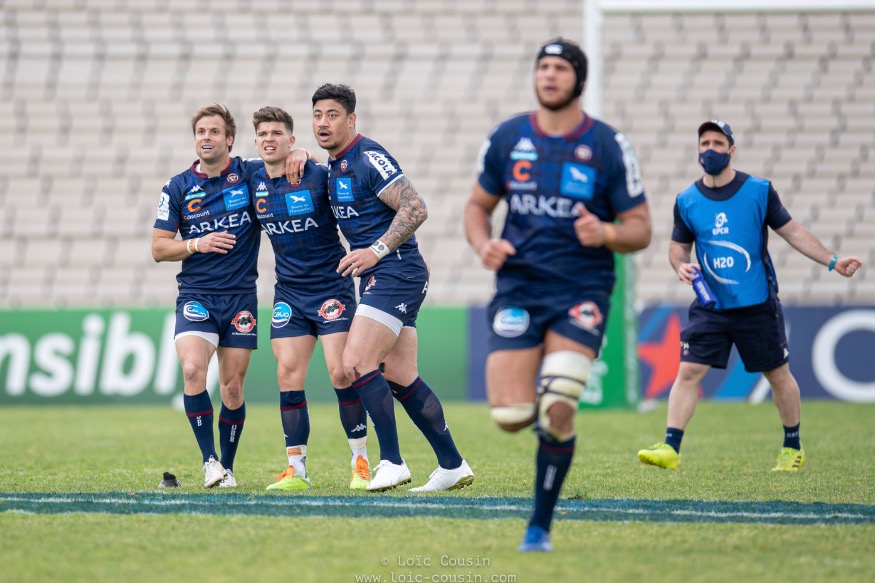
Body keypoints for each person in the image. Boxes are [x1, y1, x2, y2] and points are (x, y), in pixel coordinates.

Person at [464, 38, 652, 552]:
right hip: (519, 286)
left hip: (580, 288)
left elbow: (640, 228)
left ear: (579, 80)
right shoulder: (507, 137)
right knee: (509, 418)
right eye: (542, 67)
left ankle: (539, 527)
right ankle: (549, 428)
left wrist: (608, 234)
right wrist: (485, 245)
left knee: (560, 402)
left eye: (560, 68)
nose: (549, 76)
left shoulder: (609, 145)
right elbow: (476, 208)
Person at [637, 119, 863, 473]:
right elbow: (677, 249)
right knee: (689, 371)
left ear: (732, 149)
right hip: (711, 306)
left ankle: (792, 447)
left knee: (778, 376)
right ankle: (670, 446)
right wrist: (679, 266)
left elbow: (793, 231)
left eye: (717, 143)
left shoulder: (759, 190)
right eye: (704, 143)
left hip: (756, 304)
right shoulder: (687, 200)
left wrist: (833, 261)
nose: (709, 149)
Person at [311, 83, 474, 492]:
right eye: (317, 114)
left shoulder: (368, 156)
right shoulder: (334, 164)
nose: (323, 122)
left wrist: (377, 251)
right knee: (400, 375)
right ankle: (452, 464)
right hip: (393, 272)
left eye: (333, 115)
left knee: (356, 363)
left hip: (394, 271)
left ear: (352, 120)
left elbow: (415, 206)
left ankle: (392, 461)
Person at [249, 106, 371, 491]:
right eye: (263, 134)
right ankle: (296, 469)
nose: (270, 139)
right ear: (256, 142)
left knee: (341, 372)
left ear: (291, 140)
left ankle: (360, 461)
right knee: (287, 374)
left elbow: (348, 199)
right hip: (289, 292)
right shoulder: (250, 177)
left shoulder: (316, 174)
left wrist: (308, 156)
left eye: (277, 133)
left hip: (330, 287)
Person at [152, 103, 264, 488]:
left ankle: (228, 469)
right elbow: (158, 248)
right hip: (197, 295)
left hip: (240, 298)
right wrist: (198, 243)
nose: (206, 137)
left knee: (232, 387)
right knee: (192, 371)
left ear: (229, 139)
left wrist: (299, 153)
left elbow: (287, 160)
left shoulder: (250, 174)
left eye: (214, 131)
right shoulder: (178, 186)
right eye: (201, 131)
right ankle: (209, 460)